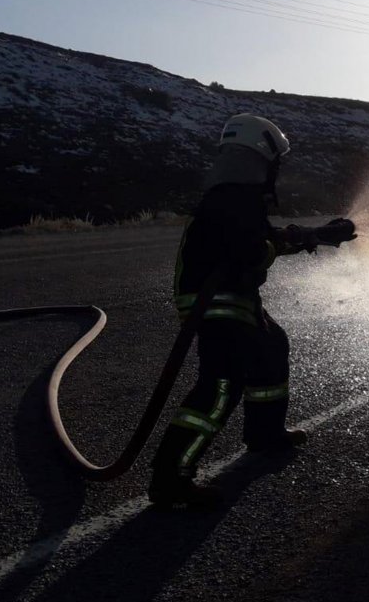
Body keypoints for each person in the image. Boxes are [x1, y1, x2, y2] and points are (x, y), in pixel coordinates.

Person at [149, 114, 356, 508]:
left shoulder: (234, 194)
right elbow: (252, 251)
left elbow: (258, 240)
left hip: (231, 296)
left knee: (271, 346)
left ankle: (265, 434)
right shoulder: (234, 197)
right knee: (222, 384)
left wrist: (313, 235)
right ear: (262, 157)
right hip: (215, 301)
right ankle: (170, 477)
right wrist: (294, 240)